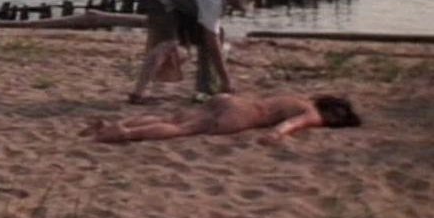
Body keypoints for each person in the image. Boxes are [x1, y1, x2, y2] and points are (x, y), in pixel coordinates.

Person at [128, 0, 263, 104]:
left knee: (216, 36)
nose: (236, 6)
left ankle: (206, 90)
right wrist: (226, 79)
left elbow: (212, 33)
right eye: (239, 0)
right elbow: (211, 38)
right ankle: (138, 94)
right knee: (167, 43)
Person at [82, 94, 361, 143]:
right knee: (184, 129)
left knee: (174, 118)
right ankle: (125, 134)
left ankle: (119, 124)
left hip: (232, 100)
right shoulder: (312, 113)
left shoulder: (301, 98)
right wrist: (276, 135)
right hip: (244, 114)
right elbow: (291, 124)